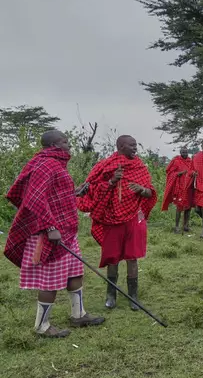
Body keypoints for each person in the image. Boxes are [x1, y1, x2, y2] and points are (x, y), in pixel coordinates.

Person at [4, 130, 104, 337]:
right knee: (50, 279)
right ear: (54, 145)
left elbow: (54, 194)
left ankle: (79, 315)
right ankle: (42, 326)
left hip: (66, 230)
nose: (69, 146)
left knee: (75, 272)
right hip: (50, 233)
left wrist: (75, 192)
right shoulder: (46, 164)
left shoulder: (56, 164)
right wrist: (50, 228)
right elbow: (35, 199)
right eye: (65, 142)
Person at [77, 135, 157, 311]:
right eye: (131, 145)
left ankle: (133, 297)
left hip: (134, 218)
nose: (135, 148)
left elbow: (150, 193)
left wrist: (142, 190)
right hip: (111, 219)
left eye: (136, 145)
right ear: (121, 146)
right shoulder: (106, 166)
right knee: (112, 258)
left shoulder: (140, 167)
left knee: (132, 257)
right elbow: (91, 189)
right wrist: (112, 181)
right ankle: (110, 295)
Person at [161, 147, 194, 234]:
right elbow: (169, 172)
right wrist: (179, 173)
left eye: (186, 152)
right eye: (183, 152)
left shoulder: (190, 161)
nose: (185, 154)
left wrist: (193, 174)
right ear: (180, 152)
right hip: (179, 187)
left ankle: (186, 226)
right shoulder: (176, 161)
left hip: (189, 187)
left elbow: (193, 171)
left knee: (188, 207)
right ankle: (176, 226)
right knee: (179, 207)